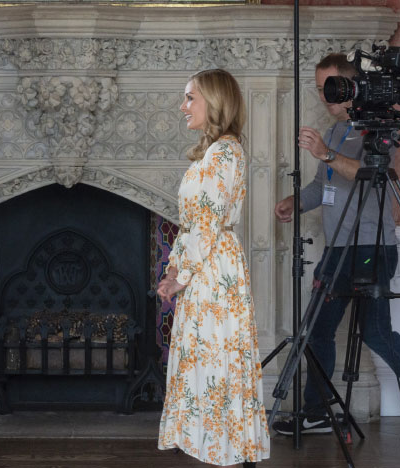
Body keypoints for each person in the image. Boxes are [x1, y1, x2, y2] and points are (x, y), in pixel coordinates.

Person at [273, 53, 400, 446]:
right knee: (340, 330)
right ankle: (319, 413)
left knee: (351, 331)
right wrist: (296, 201)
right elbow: (327, 185)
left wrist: (324, 152)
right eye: (321, 87)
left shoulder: (377, 130)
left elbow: (368, 174)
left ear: (351, 85)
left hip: (370, 246)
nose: (325, 95)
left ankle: (317, 412)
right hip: (341, 246)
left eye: (330, 86)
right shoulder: (337, 131)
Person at [157, 69, 270, 468]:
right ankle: (213, 445)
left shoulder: (225, 152)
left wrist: (178, 277)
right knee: (207, 357)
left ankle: (223, 448)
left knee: (214, 356)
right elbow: (191, 222)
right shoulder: (215, 151)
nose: (183, 106)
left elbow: (205, 223)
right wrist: (174, 269)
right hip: (203, 262)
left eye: (190, 98)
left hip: (211, 267)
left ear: (214, 102)